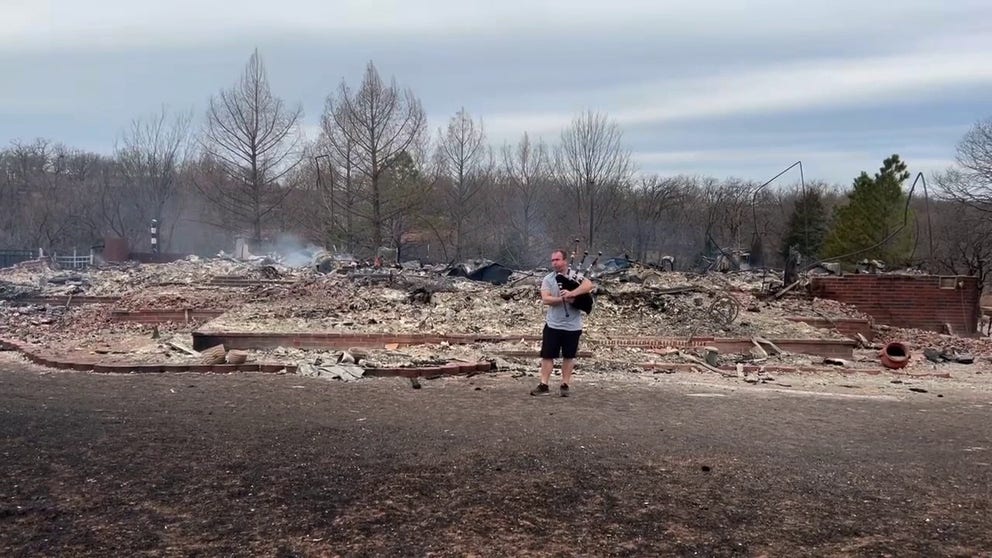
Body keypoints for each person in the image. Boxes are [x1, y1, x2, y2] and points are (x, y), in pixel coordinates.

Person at [531, 249, 594, 397]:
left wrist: (573, 293)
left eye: (557, 260)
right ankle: (544, 384)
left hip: (573, 326)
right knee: (547, 355)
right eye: (552, 260)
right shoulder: (548, 279)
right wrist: (562, 299)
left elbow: (588, 285)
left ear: (565, 261)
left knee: (569, 356)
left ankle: (565, 385)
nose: (554, 263)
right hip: (553, 324)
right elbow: (546, 299)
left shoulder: (575, 276)